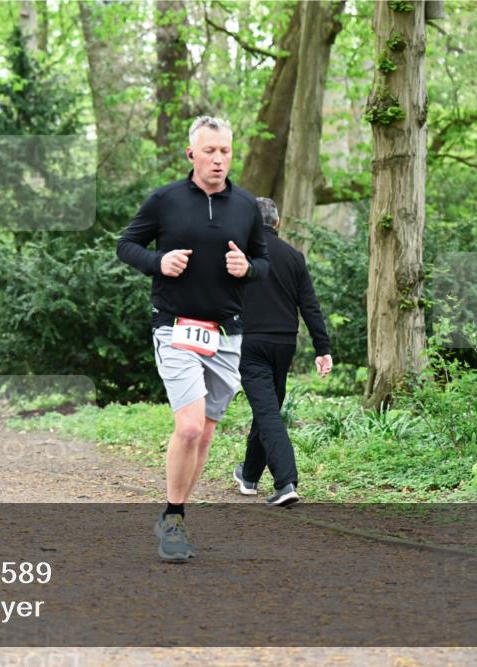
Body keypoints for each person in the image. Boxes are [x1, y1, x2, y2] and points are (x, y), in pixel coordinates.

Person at [116, 116, 269, 561]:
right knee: (187, 427)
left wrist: (250, 269)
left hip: (226, 334)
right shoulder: (164, 200)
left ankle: (176, 513)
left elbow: (264, 260)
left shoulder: (245, 207)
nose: (218, 159)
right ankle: (174, 517)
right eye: (209, 151)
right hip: (175, 327)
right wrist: (158, 262)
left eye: (225, 151)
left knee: (203, 437)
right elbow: (126, 245)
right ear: (191, 155)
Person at [232, 197, 332, 507]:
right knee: (268, 407)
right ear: (278, 222)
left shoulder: (239, 257)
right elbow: (310, 305)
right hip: (284, 344)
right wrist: (322, 347)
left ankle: (286, 481)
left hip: (250, 343)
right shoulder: (294, 256)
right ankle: (248, 475)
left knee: (267, 411)